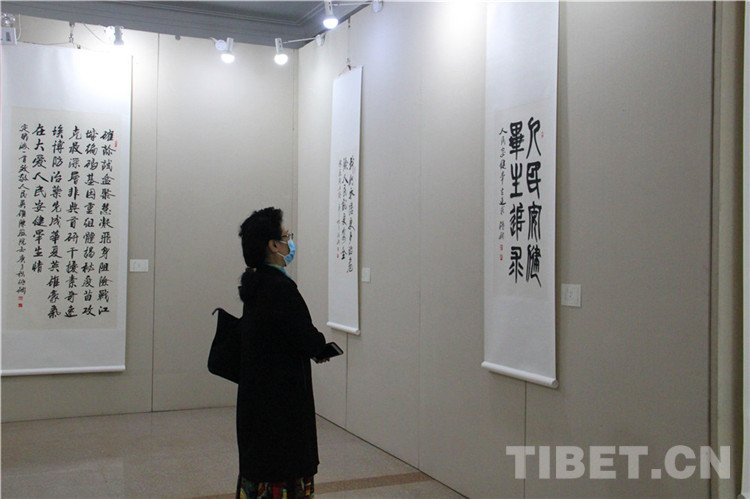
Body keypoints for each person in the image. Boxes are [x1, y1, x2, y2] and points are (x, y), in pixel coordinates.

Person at [236, 207, 327, 499]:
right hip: (281, 404)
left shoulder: (255, 285)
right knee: (282, 468)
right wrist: (321, 347)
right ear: (273, 245)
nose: (290, 242)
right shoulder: (280, 287)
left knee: (261, 466)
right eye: (287, 237)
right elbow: (304, 334)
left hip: (258, 400)